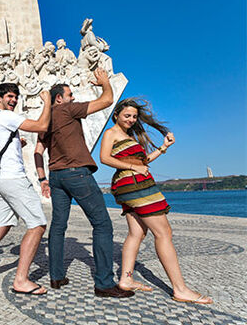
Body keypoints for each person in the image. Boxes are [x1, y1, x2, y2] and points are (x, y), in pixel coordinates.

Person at [99, 98, 213, 304]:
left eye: (134, 116)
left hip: (132, 184)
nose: (131, 119)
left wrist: (163, 147)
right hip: (136, 185)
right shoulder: (111, 133)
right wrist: (134, 169)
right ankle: (180, 289)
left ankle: (126, 279)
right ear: (116, 115)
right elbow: (104, 158)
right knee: (163, 233)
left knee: (137, 232)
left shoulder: (128, 136)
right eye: (127, 116)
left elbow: (143, 162)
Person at [34, 68, 133, 298]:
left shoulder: (45, 120)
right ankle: (104, 283)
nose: (73, 98)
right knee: (102, 225)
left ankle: (56, 276)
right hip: (76, 173)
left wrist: (42, 179)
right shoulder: (66, 109)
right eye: (69, 94)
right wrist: (104, 81)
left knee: (58, 227)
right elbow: (107, 100)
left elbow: (38, 152)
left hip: (56, 177)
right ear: (59, 98)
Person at [0, 83, 51, 295]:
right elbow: (42, 125)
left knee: (1, 226)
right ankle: (21, 280)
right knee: (37, 225)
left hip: (0, 180)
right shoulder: (6, 116)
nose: (13, 100)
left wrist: (18, 145)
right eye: (9, 96)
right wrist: (47, 101)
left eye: (15, 97)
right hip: (13, 179)